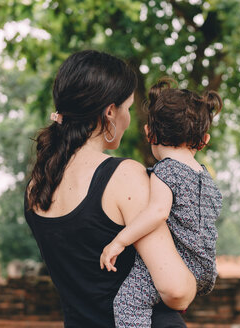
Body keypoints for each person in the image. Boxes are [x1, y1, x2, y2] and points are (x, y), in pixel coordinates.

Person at [24, 50, 196, 328]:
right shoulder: (123, 176)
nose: (129, 119)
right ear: (109, 111)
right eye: (128, 108)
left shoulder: (37, 186)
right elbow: (176, 291)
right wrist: (195, 276)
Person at [99, 79, 223, 327]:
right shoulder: (204, 175)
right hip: (206, 268)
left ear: (148, 132)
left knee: (128, 303)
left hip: (179, 262)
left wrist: (118, 242)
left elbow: (157, 212)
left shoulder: (165, 171)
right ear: (205, 139)